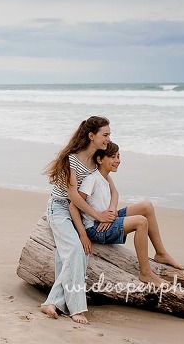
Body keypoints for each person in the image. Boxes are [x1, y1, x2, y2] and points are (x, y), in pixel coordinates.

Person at [72, 142, 184, 286]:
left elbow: (115, 193)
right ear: (100, 160)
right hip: (95, 228)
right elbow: (74, 206)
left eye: (118, 156)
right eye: (112, 157)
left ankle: (161, 254)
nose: (117, 160)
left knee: (147, 206)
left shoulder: (105, 177)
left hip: (107, 218)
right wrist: (83, 234)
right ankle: (145, 273)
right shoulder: (91, 179)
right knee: (141, 222)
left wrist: (112, 212)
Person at [40, 116, 112, 325]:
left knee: (75, 256)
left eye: (109, 135)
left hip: (80, 212)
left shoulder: (97, 158)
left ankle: (52, 302)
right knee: (75, 250)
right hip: (60, 208)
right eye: (105, 135)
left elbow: (108, 184)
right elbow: (72, 196)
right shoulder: (71, 159)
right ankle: (77, 309)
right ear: (91, 136)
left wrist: (109, 210)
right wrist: (96, 217)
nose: (108, 138)